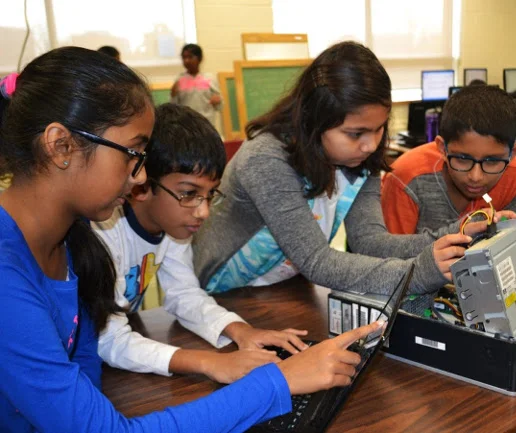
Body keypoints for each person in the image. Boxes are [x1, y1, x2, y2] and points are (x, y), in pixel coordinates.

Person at [0, 46, 385, 432]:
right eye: (133, 153)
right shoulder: (12, 273)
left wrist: (241, 339)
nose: (139, 177)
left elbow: (86, 382)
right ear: (61, 146)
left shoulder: (69, 244)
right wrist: (278, 382)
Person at [192, 41, 475, 297]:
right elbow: (317, 261)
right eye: (355, 134)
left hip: (283, 288)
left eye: (379, 129)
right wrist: (417, 273)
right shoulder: (266, 158)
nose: (370, 145)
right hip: (219, 293)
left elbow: (370, 242)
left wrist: (456, 236)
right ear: (314, 121)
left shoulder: (359, 158)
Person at [94, 102, 310, 383]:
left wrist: (242, 331)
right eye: (189, 193)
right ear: (143, 185)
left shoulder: (172, 227)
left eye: (210, 195)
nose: (203, 211)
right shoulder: (104, 233)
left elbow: (184, 294)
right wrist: (209, 363)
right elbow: (108, 340)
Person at [381, 85, 516, 236]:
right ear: (442, 149)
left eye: (491, 161)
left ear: (513, 153)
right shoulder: (406, 179)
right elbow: (388, 256)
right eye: (462, 159)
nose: (475, 177)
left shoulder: (515, 176)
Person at [171, 43, 221, 124]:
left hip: (207, 125)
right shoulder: (179, 80)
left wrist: (218, 101)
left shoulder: (210, 79)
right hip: (187, 125)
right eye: (184, 57)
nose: (186, 61)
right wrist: (173, 95)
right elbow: (174, 107)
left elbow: (219, 106)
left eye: (190, 57)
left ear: (199, 59)